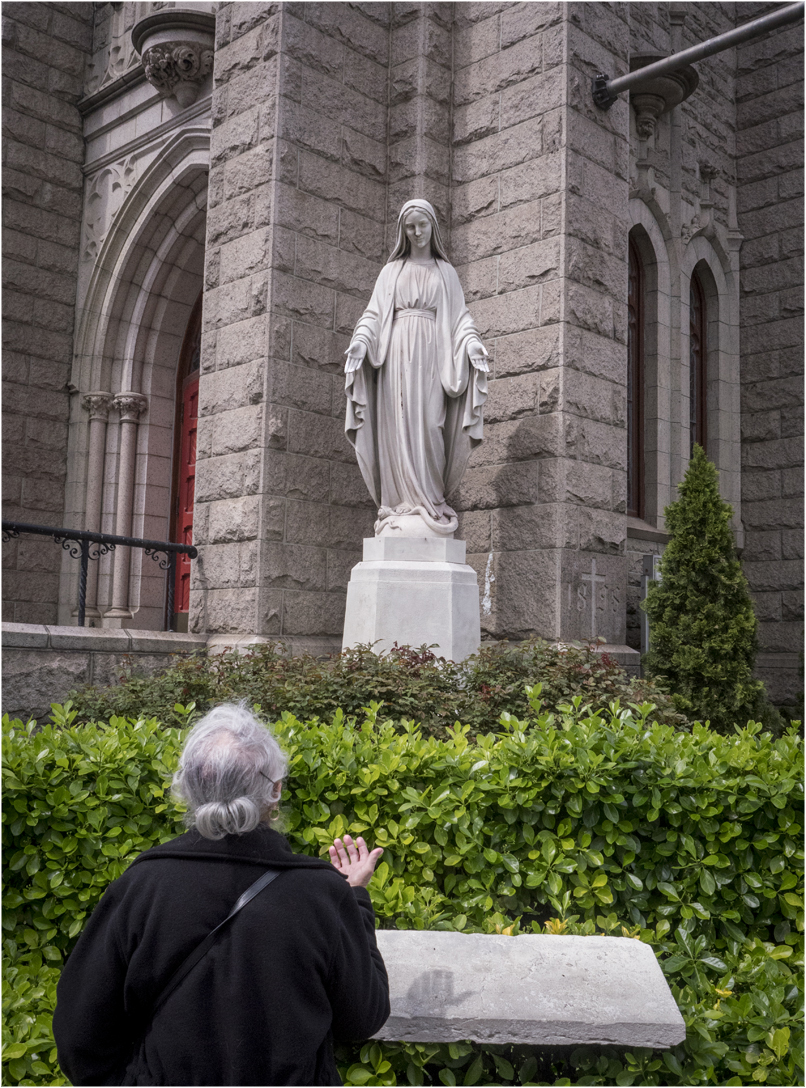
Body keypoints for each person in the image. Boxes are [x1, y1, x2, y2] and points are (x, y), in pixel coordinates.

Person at [52, 703, 389, 1086]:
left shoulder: (142, 886)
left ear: (187, 789)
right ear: (275, 790)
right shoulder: (321, 893)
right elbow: (363, 1018)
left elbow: (80, 1037)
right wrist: (355, 896)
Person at [344, 198, 489, 537]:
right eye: (410, 227)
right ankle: (398, 503)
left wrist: (471, 344)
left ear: (432, 227)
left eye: (422, 225)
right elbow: (373, 315)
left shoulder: (445, 272)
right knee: (396, 426)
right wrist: (361, 341)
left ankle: (431, 499)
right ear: (403, 231)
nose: (417, 232)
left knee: (430, 423)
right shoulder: (391, 272)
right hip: (395, 358)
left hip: (433, 357)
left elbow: (460, 319)